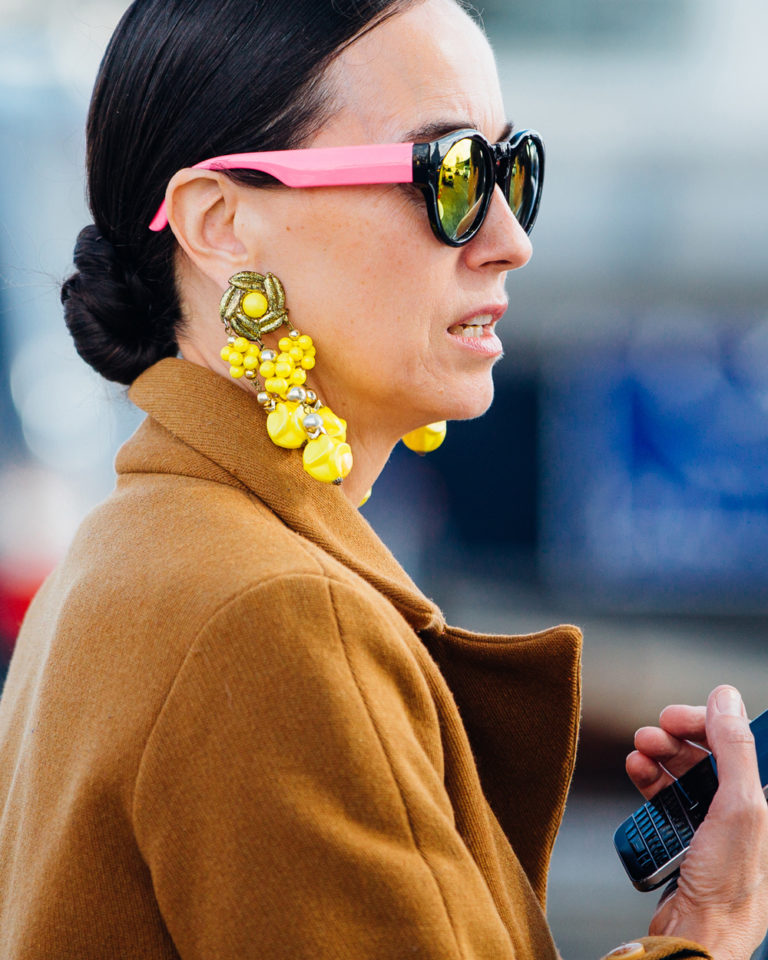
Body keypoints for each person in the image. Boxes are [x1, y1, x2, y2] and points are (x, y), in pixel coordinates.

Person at [0, 0, 766, 957]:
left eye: (512, 169)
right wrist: (712, 928)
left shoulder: (140, 547)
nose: (507, 237)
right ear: (223, 222)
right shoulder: (273, 614)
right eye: (447, 174)